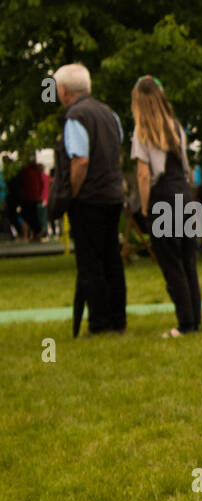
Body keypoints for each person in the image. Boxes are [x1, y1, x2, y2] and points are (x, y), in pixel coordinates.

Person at [50, 63, 127, 335]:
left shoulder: (75, 117)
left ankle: (100, 321)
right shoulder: (109, 114)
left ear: (63, 90)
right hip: (113, 195)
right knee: (112, 260)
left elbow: (80, 160)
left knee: (90, 263)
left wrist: (71, 193)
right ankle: (118, 319)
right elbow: (116, 151)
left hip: (89, 198)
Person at [131, 75, 202, 337]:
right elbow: (186, 167)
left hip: (161, 196)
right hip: (183, 194)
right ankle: (194, 319)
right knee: (188, 261)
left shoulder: (142, 132)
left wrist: (146, 206)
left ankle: (184, 324)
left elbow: (142, 173)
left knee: (171, 264)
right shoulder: (176, 127)